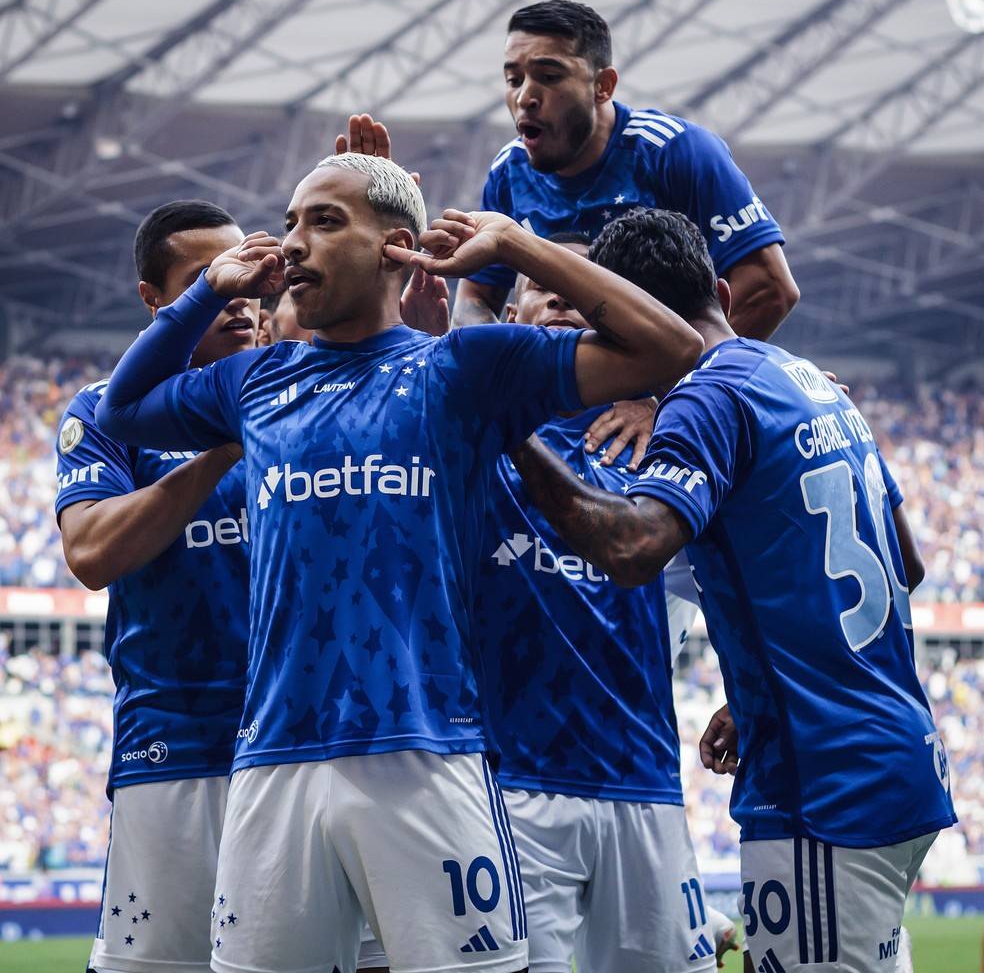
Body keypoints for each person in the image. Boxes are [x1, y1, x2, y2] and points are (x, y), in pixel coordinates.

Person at [93, 152, 703, 973]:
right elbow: (123, 411)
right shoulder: (255, 379)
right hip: (273, 761)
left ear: (396, 246)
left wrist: (519, 245)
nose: (293, 243)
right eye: (292, 220)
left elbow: (670, 346)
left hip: (428, 754)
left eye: (325, 221)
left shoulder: (463, 368)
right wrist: (208, 290)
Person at [509, 207, 956, 973]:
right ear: (718, 287)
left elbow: (633, 548)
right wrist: (761, 676)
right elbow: (903, 565)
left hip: (824, 784)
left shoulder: (705, 400)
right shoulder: (812, 380)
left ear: (629, 327)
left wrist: (503, 427)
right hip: (899, 752)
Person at [475, 231, 736, 972]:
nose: (560, 292)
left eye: (584, 283)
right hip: (513, 789)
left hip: (645, 787)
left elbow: (745, 581)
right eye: (537, 280)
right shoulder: (468, 430)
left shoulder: (674, 439)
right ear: (513, 313)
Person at [54, 199, 256, 973]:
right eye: (210, 281)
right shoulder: (106, 415)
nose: (238, 296)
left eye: (247, 276)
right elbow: (92, 551)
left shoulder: (295, 390)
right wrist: (217, 457)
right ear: (155, 300)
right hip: (176, 746)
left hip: (305, 739)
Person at [453, 0, 798, 340]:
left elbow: (768, 289)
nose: (525, 96)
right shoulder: (508, 173)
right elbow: (476, 298)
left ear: (602, 86)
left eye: (549, 76)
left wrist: (679, 389)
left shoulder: (675, 151)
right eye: (514, 79)